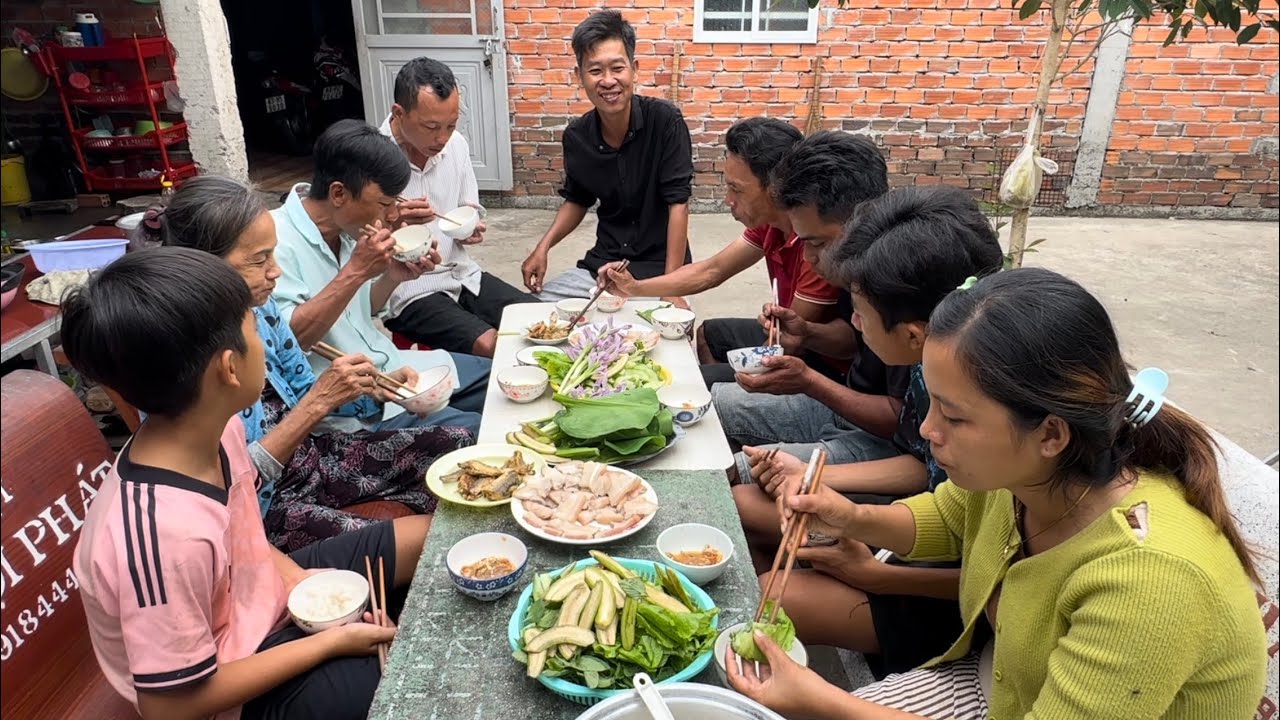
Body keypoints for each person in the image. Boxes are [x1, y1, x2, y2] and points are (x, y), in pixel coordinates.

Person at [726, 267, 1268, 720]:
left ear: (1052, 432)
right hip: (1000, 683)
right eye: (932, 403)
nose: (928, 431)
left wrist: (818, 699)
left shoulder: (1151, 581)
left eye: (955, 417)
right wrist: (848, 517)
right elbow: (947, 517)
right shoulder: (1020, 476)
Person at [63, 247, 425, 720]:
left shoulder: (218, 427)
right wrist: (331, 642)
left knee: (426, 538)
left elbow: (241, 534)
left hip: (260, 596)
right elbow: (169, 705)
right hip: (228, 688)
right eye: (254, 325)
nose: (266, 337)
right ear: (229, 367)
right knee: (404, 686)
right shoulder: (162, 535)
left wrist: (303, 584)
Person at [735, 186, 1005, 677]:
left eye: (858, 311)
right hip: (927, 556)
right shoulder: (947, 364)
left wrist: (878, 575)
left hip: (960, 607)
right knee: (763, 529)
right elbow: (944, 504)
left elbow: (1003, 582)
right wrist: (846, 514)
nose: (853, 323)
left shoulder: (990, 403)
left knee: (771, 594)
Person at [154, 175, 473, 551]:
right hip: (268, 507)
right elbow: (234, 486)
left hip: (316, 459)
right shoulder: (183, 353)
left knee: (460, 446)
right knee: (420, 540)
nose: (276, 271)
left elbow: (304, 386)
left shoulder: (263, 308)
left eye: (273, 254)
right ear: (204, 265)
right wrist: (318, 402)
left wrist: (378, 388)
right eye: (260, 260)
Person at [713, 131, 907, 488]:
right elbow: (855, 343)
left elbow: (905, 420)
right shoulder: (854, 263)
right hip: (843, 408)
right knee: (703, 406)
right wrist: (808, 332)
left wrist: (810, 382)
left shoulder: (902, 282)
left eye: (816, 243)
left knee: (735, 476)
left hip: (885, 444)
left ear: (859, 219)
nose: (807, 258)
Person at [271, 119, 488, 435]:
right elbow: (290, 340)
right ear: (339, 193)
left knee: (500, 380)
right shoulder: (273, 241)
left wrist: (393, 276)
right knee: (485, 431)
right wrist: (356, 271)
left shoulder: (349, 231)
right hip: (352, 408)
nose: (392, 216)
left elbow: (364, 312)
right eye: (385, 204)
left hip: (393, 367)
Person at [595, 117, 843, 386]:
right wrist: (633, 287)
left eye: (736, 189)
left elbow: (791, 343)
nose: (728, 200)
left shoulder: (815, 244)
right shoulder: (771, 225)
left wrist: (741, 384)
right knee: (710, 335)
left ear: (776, 189)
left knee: (689, 384)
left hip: (821, 364)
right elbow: (712, 270)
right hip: (789, 339)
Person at [521, 9, 694, 305]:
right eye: (596, 70)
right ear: (579, 76)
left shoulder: (665, 121)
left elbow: (678, 204)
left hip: (659, 270)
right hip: (602, 268)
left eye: (617, 68)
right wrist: (543, 247)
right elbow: (577, 199)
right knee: (535, 314)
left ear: (634, 69)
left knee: (662, 341)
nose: (608, 81)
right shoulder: (577, 136)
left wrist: (672, 287)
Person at [380, 57, 537, 358]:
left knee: (538, 320)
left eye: (450, 125)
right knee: (495, 345)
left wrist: (470, 230)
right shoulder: (372, 158)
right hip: (409, 290)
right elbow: (355, 244)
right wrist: (391, 221)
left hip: (462, 273)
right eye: (431, 127)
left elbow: (469, 208)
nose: (442, 138)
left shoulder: (457, 145)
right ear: (398, 113)